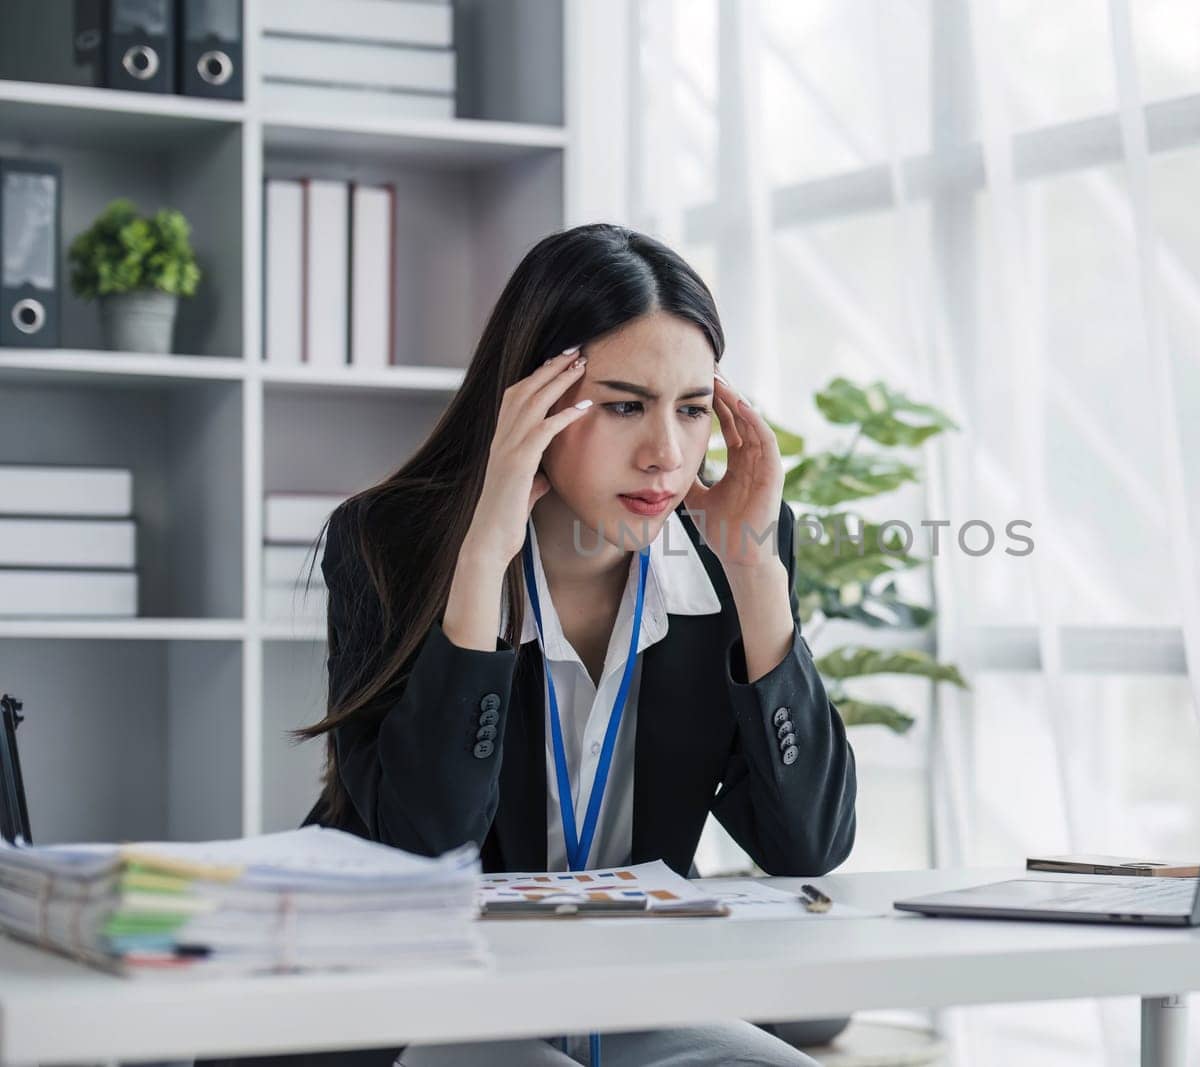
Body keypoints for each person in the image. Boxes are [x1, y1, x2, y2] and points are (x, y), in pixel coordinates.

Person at [228, 224, 857, 1067]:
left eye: (694, 408)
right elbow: (429, 842)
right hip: (423, 998)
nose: (666, 454)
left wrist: (757, 575)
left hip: (627, 994)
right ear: (534, 399)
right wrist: (483, 557)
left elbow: (807, 845)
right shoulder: (391, 542)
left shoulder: (726, 549)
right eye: (625, 404)